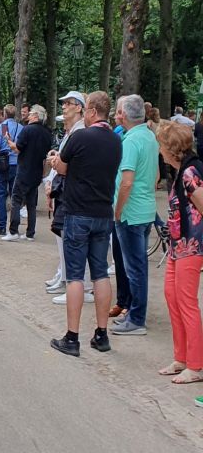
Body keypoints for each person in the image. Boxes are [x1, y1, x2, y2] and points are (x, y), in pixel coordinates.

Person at [49, 91, 121, 357]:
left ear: (90, 111)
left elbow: (63, 168)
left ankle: (72, 337)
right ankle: (102, 334)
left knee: (76, 276)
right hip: (103, 212)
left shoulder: (80, 137)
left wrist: (55, 160)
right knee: (100, 272)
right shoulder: (116, 141)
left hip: (78, 212)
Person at [156, 121, 203, 383]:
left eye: (162, 145)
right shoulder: (182, 170)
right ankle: (181, 357)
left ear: (171, 149)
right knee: (172, 298)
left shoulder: (189, 173)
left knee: (186, 303)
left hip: (191, 246)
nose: (159, 150)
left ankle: (195, 365)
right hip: (178, 246)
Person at [110, 94, 158, 336]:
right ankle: (134, 312)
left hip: (130, 212)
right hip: (145, 208)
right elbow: (157, 176)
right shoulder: (149, 136)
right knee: (138, 266)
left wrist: (118, 211)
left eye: (118, 110)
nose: (116, 114)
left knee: (134, 267)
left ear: (125, 115)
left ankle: (137, 318)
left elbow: (126, 182)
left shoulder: (130, 141)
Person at [46, 92, 92, 305]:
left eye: (68, 104)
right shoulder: (71, 133)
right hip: (63, 189)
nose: (64, 107)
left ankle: (78, 284)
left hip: (72, 193)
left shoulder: (80, 133)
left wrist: (56, 163)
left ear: (80, 108)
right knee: (63, 237)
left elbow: (68, 164)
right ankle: (66, 278)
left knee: (73, 240)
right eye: (63, 103)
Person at [2, 104, 52, 241]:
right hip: (37, 171)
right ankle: (30, 233)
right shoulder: (47, 133)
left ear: (35, 116)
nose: (28, 115)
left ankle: (13, 231)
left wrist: (8, 140)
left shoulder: (27, 130)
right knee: (31, 203)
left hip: (24, 169)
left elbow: (17, 149)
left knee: (16, 200)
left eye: (30, 113)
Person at [0, 104, 21, 234]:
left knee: (1, 194)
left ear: (4, 114)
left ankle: (1, 226)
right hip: (16, 164)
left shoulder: (3, 127)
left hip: (3, 163)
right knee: (15, 195)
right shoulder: (21, 128)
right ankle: (14, 227)